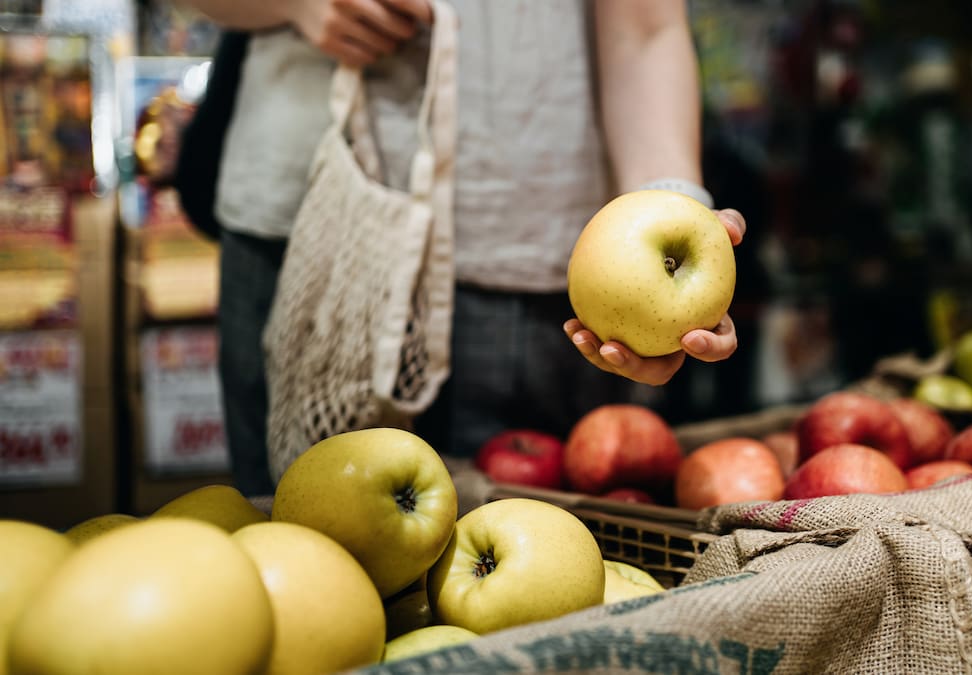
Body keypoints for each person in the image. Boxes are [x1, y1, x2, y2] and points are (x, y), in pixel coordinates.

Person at [176, 0, 746, 497]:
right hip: (308, 246)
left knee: (536, 591)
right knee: (302, 561)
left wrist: (673, 203)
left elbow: (644, 29)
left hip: (536, 261)